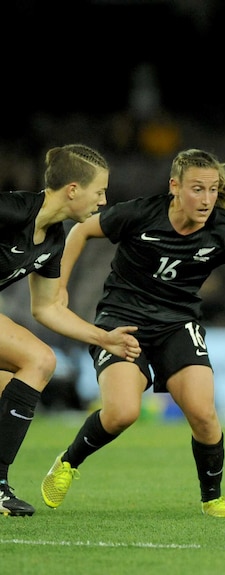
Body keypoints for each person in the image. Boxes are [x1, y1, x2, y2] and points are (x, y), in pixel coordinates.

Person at [40, 148, 225, 518]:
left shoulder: (223, 228)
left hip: (178, 324)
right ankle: (68, 463)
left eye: (213, 190)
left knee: (203, 414)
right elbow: (82, 230)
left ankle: (212, 497)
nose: (206, 199)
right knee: (121, 413)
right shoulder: (140, 213)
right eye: (197, 189)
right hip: (123, 319)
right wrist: (59, 286)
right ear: (175, 187)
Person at [0, 144, 141, 517]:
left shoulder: (54, 239)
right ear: (74, 189)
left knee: (6, 388)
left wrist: (103, 337)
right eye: (99, 191)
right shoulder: (10, 210)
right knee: (40, 359)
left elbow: (46, 308)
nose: (104, 200)